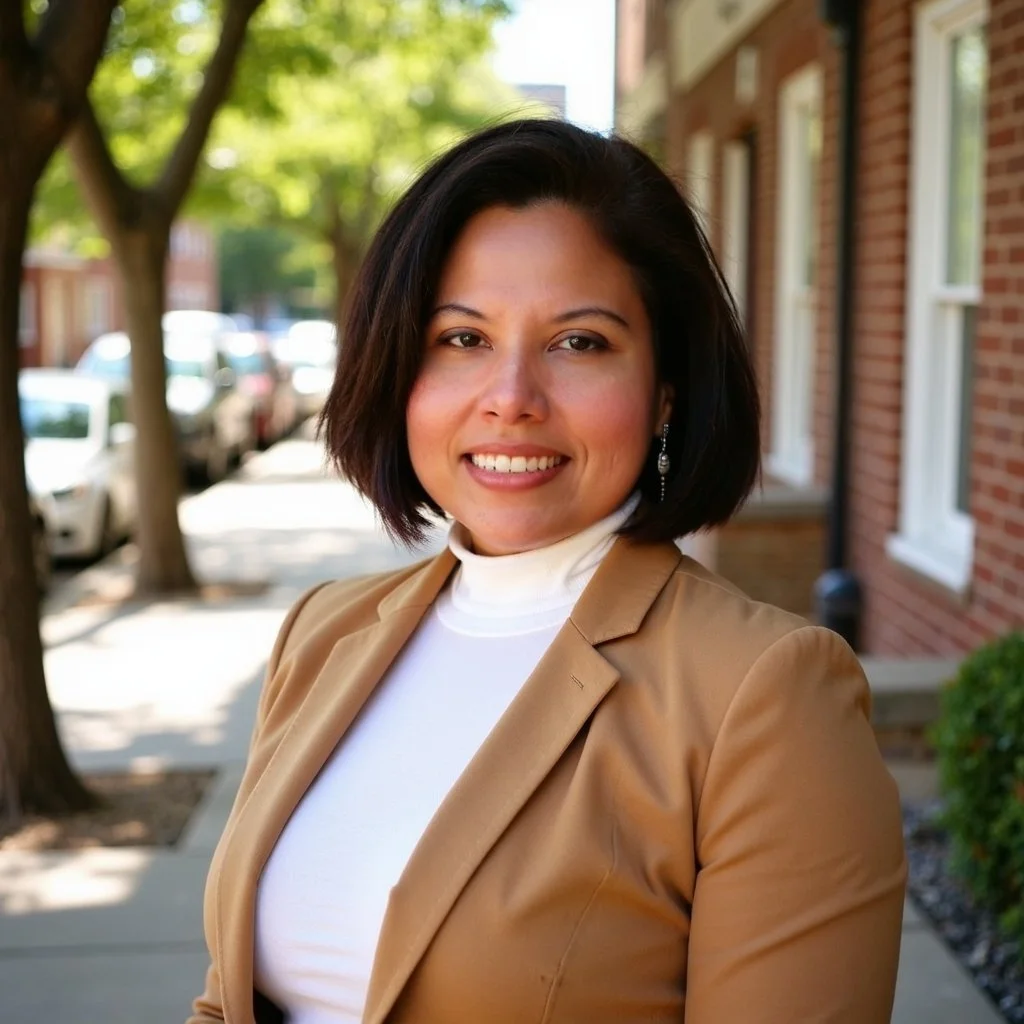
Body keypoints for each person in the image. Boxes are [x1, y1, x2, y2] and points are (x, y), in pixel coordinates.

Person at [189, 119, 906, 1024]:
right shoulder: (324, 632)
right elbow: (227, 1002)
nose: (511, 397)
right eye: (461, 338)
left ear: (665, 395)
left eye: (579, 343)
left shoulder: (763, 697)